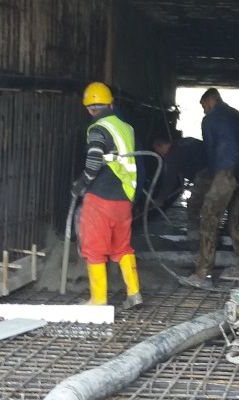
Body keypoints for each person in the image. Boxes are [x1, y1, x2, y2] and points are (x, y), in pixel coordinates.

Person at [71, 82, 142, 309]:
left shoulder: (98, 129)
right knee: (122, 248)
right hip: (124, 197)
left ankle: (98, 300)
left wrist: (80, 185)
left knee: (93, 248)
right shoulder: (125, 127)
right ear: (111, 104)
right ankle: (134, 293)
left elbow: (93, 163)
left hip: (101, 197)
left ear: (90, 109)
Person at [180, 88, 239, 288]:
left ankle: (202, 273)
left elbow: (210, 150)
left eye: (204, 106)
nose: (204, 110)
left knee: (209, 218)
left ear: (210, 101)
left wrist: (211, 178)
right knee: (236, 218)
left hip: (224, 173)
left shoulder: (211, 119)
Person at [152, 135, 208, 239]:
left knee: (193, 204)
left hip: (205, 173)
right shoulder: (185, 142)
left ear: (161, 146)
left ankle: (195, 235)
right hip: (215, 167)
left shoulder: (172, 155)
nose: (160, 155)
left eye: (158, 151)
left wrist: (161, 199)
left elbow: (169, 179)